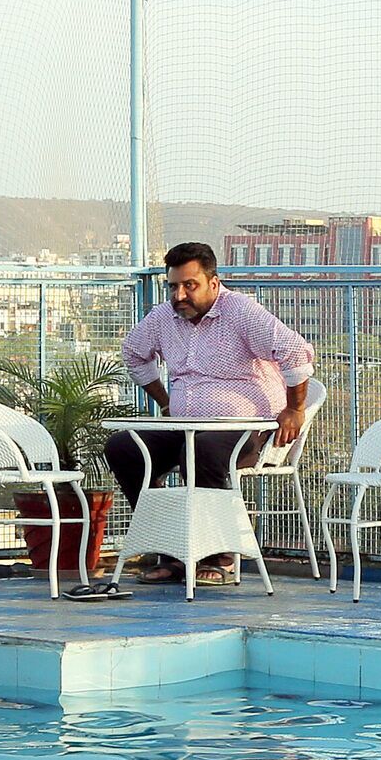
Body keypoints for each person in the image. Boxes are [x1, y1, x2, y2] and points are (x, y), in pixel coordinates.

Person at [111, 242, 317, 587]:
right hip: (185, 425)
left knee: (200, 451)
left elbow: (295, 352)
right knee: (124, 448)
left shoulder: (241, 312)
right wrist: (164, 401)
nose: (180, 295)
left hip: (245, 428)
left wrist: (295, 409)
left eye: (190, 285)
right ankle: (171, 548)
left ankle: (216, 556)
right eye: (173, 286)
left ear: (214, 283)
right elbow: (133, 354)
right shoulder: (163, 317)